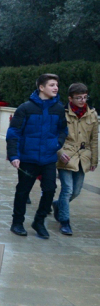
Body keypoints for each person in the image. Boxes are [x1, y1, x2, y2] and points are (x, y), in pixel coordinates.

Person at [6, 73, 67, 238]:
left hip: (48, 158)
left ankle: (39, 222)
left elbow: (63, 130)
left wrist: (57, 144)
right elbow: (13, 133)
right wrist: (14, 155)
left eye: (56, 85)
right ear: (41, 87)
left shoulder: (59, 109)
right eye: (52, 85)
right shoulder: (25, 108)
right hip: (28, 157)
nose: (56, 88)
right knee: (23, 191)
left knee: (50, 190)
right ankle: (17, 222)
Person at [52, 83, 98, 235]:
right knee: (67, 189)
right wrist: (59, 152)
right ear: (70, 98)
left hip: (83, 157)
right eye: (79, 98)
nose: (82, 101)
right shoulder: (61, 113)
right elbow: (53, 134)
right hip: (66, 154)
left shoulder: (92, 114)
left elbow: (94, 140)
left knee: (76, 191)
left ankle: (57, 205)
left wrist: (94, 161)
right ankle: (65, 222)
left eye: (85, 97)